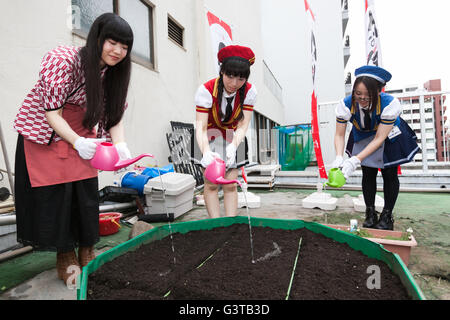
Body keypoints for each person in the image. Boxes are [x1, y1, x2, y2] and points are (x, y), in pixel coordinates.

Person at [13, 13, 134, 286]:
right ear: (97, 39)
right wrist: (77, 142)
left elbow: (114, 116)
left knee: (85, 193)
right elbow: (52, 113)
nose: (118, 51)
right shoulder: (63, 59)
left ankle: (88, 249)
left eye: (124, 47)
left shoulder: (114, 75)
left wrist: (121, 145)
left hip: (82, 132)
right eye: (112, 42)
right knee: (57, 197)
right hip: (46, 131)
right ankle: (65, 254)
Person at [332, 65, 419, 230]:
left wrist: (355, 159)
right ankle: (370, 213)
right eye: (358, 94)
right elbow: (339, 135)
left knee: (389, 173)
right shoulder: (346, 104)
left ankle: (387, 215)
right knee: (368, 172)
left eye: (368, 95)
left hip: (388, 136)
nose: (362, 99)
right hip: (363, 135)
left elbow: (379, 138)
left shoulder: (389, 105)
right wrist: (338, 157)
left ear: (379, 91)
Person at [194, 45, 257, 218]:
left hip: (233, 135)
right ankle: (215, 225)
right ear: (222, 71)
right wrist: (206, 152)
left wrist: (233, 146)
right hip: (207, 134)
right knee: (211, 183)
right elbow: (201, 127)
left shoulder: (249, 91)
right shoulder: (206, 90)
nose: (234, 83)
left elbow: (244, 124)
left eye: (240, 79)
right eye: (230, 76)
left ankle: (230, 223)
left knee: (230, 184)